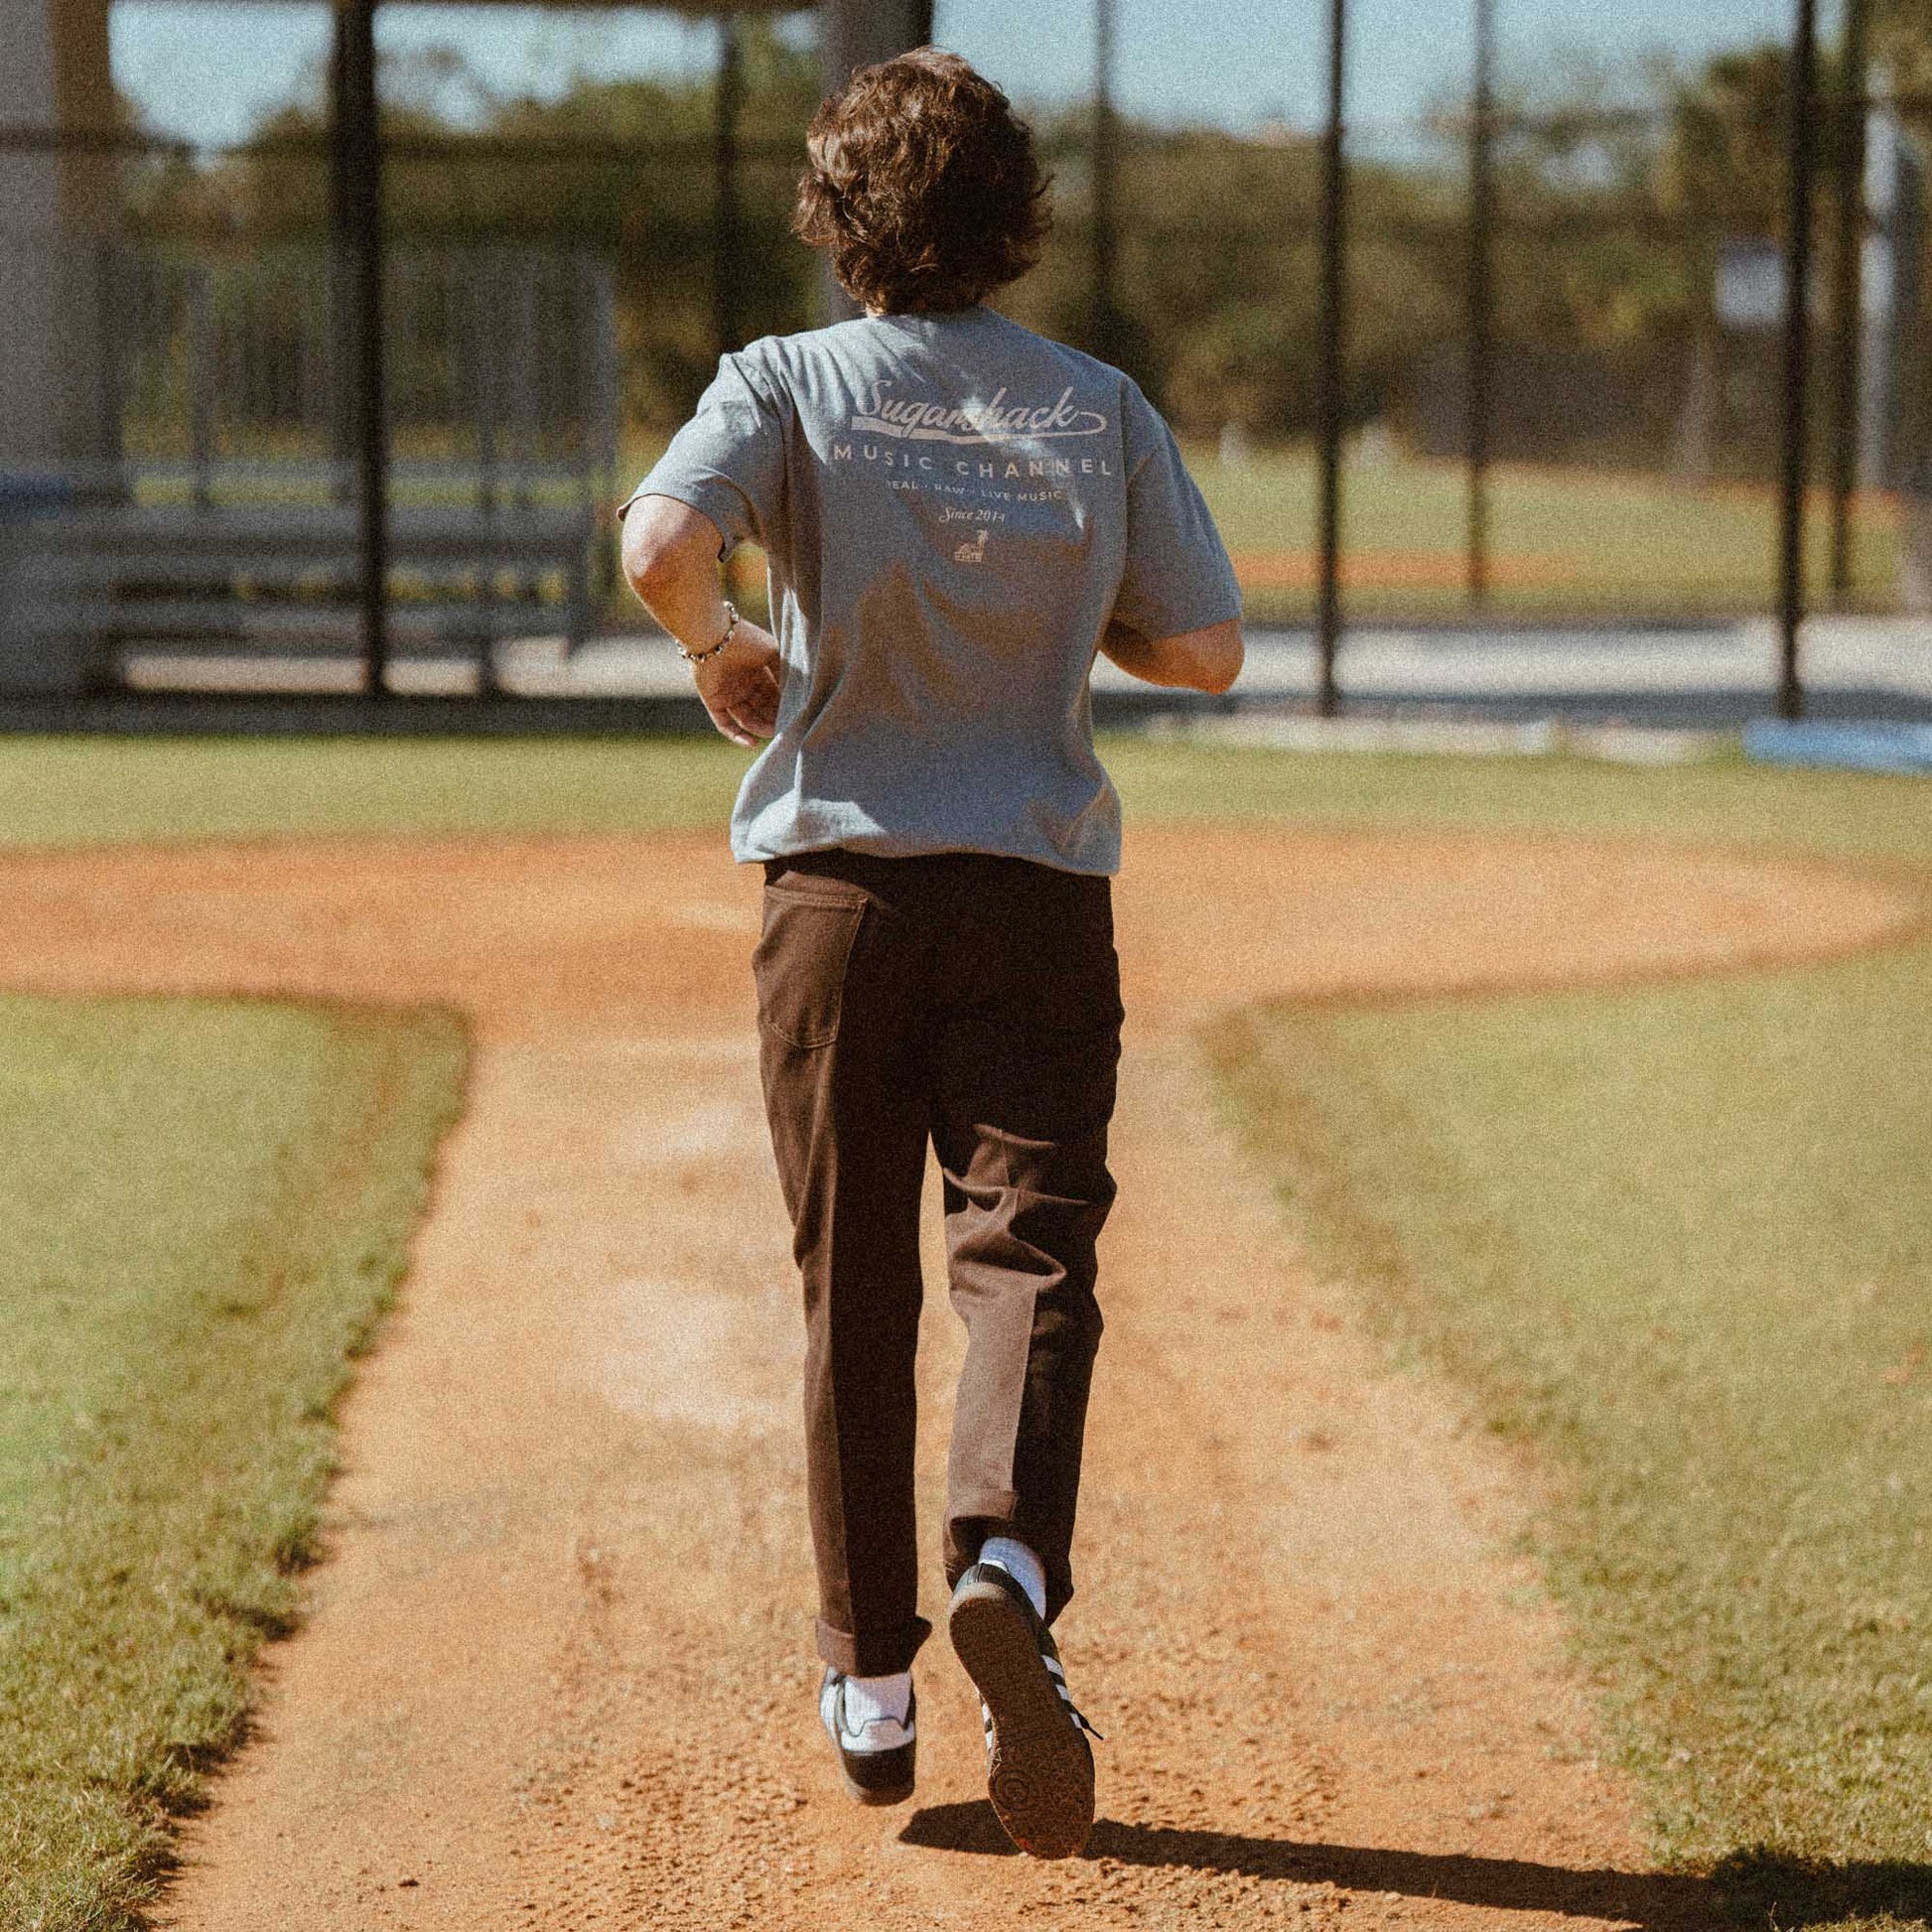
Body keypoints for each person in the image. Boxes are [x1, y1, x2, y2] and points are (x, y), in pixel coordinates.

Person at [618, 46, 1242, 1861]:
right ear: (1012, 216)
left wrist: (721, 646)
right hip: (1034, 890)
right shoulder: (1095, 403)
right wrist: (1066, 618)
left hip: (837, 896)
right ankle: (1009, 1566)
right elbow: (1206, 650)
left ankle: (869, 1680)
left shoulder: (785, 377)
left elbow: (660, 539)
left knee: (854, 1283)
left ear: (837, 220)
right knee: (1027, 1249)